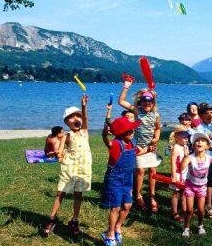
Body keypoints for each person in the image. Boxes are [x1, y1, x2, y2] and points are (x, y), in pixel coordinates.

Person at [101, 117, 153, 246]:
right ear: (122, 133)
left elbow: (137, 152)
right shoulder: (116, 144)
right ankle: (109, 234)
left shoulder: (131, 143)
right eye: (131, 131)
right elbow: (107, 142)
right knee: (115, 208)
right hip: (115, 180)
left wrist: (149, 149)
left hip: (128, 179)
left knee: (128, 205)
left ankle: (118, 226)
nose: (133, 132)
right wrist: (104, 134)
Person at [43, 95, 91, 237]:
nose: (76, 118)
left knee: (78, 194)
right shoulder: (66, 135)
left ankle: (74, 220)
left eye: (78, 116)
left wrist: (83, 107)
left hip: (83, 168)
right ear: (66, 122)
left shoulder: (84, 131)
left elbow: (85, 118)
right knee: (60, 193)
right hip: (69, 168)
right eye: (71, 117)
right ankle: (52, 219)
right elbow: (60, 150)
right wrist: (55, 154)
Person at [118, 79, 161, 212]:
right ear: (140, 102)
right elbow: (121, 102)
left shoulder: (156, 115)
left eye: (150, 101)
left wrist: (157, 137)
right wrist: (126, 87)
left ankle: (152, 196)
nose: (147, 103)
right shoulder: (137, 111)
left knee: (153, 171)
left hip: (151, 147)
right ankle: (137, 195)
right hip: (139, 147)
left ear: (153, 103)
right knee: (140, 171)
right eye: (144, 101)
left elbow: (158, 128)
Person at [180, 132, 212, 238]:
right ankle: (186, 227)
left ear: (207, 146)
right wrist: (185, 157)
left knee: (201, 210)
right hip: (190, 186)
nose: (199, 142)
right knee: (189, 210)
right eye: (197, 141)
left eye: (202, 141)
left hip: (202, 187)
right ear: (193, 145)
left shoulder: (209, 158)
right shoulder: (190, 157)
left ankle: (200, 225)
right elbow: (182, 168)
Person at [195, 103, 212, 219]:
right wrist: (208, 145)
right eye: (207, 113)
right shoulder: (199, 128)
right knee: (210, 183)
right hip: (206, 159)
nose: (210, 115)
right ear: (200, 115)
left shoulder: (211, 126)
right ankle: (208, 205)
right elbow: (200, 144)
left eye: (211, 112)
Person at [169, 125, 189, 222]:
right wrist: (173, 176)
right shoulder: (176, 147)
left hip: (185, 173)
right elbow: (173, 162)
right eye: (184, 137)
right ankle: (175, 212)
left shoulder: (185, 147)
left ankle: (185, 211)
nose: (186, 139)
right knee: (176, 193)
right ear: (177, 137)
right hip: (177, 174)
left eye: (187, 137)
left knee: (184, 193)